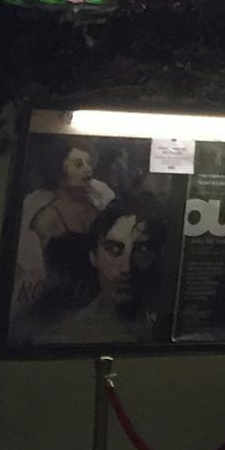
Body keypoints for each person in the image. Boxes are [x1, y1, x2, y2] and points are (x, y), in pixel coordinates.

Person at [39, 200, 166, 343]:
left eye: (141, 250)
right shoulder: (69, 337)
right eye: (113, 249)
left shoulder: (158, 326)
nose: (126, 268)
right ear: (94, 256)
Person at [14, 143, 114, 319]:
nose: (87, 169)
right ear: (61, 172)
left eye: (89, 163)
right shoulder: (48, 218)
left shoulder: (99, 207)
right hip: (64, 308)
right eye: (78, 164)